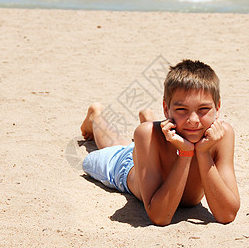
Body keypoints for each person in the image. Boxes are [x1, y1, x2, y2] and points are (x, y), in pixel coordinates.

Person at [80, 59, 240, 226]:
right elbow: (160, 216)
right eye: (181, 110)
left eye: (203, 110)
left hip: (161, 142)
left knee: (150, 136)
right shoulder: (146, 136)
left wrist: (202, 152)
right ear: (166, 108)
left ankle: (150, 121)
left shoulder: (222, 135)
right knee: (104, 154)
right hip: (127, 166)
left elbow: (227, 214)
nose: (193, 120)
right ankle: (96, 116)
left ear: (218, 107)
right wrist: (185, 153)